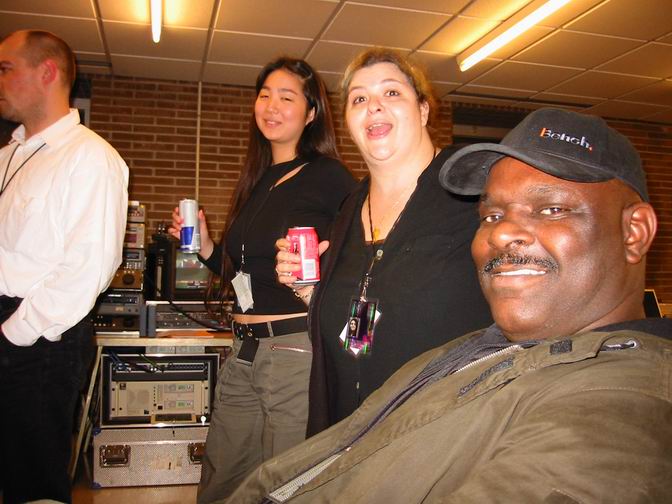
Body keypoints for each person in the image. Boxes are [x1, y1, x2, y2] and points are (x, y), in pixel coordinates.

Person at [221, 107, 672, 503]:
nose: (500, 233)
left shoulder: (620, 407)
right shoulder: (475, 351)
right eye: (492, 215)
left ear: (634, 233)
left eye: (551, 209)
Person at [275, 48, 492, 434]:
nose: (373, 106)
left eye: (391, 93)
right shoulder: (349, 209)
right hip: (351, 431)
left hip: (441, 431)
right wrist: (313, 294)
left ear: (423, 109)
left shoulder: (473, 190)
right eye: (359, 99)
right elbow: (361, 326)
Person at [169, 57, 355, 502]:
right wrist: (207, 247)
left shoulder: (330, 176)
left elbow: (358, 256)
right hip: (243, 351)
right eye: (265, 94)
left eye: (287, 97)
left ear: (311, 113)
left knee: (284, 484)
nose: (271, 105)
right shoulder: (258, 179)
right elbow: (243, 276)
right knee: (222, 477)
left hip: (293, 350)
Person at [0, 30, 129, 504]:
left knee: (31, 480)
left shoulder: (90, 157)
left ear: (47, 72)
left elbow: (87, 267)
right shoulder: (8, 156)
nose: (0, 80)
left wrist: (14, 332)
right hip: (15, 325)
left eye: (6, 68)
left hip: (36, 335)